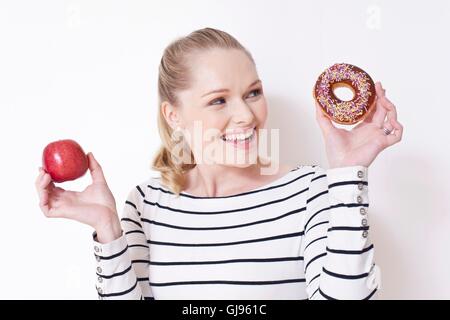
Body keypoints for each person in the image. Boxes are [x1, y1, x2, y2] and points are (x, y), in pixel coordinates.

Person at [35, 27, 403, 300]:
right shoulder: (145, 205)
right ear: (174, 115)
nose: (246, 115)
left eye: (253, 93)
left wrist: (346, 172)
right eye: (218, 101)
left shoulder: (311, 191)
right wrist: (108, 230)